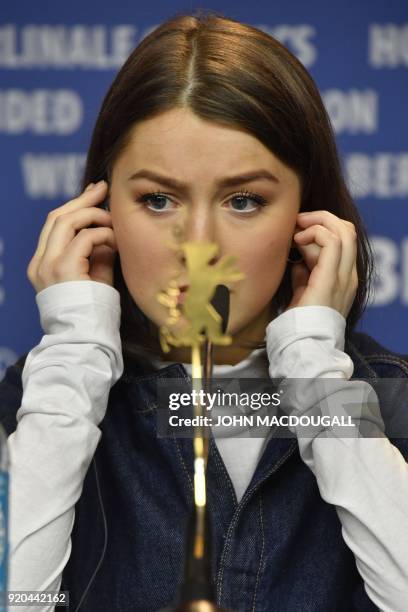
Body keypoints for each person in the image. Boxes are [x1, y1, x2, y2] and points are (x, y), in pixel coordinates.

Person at [1, 10, 408, 612]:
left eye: (244, 200)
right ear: (101, 209)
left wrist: (314, 368)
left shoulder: (392, 393)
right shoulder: (45, 397)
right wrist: (74, 351)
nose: (198, 247)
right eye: (158, 199)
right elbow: (17, 600)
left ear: (309, 216)